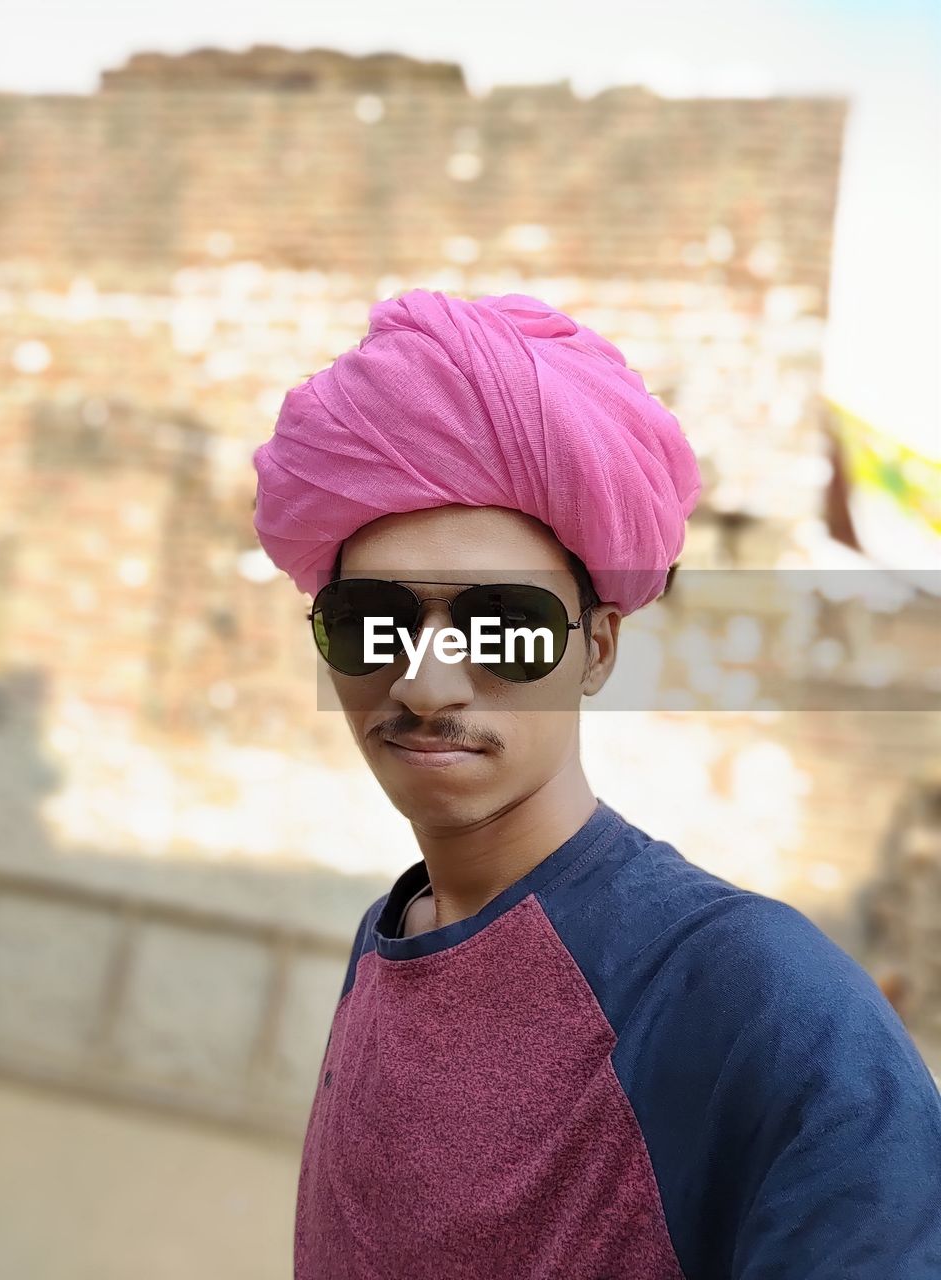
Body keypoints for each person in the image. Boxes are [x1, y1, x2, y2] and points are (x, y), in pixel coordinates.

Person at [252, 289, 941, 1279]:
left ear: (598, 647)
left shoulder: (761, 1000)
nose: (425, 679)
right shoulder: (388, 933)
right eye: (371, 619)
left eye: (505, 622)